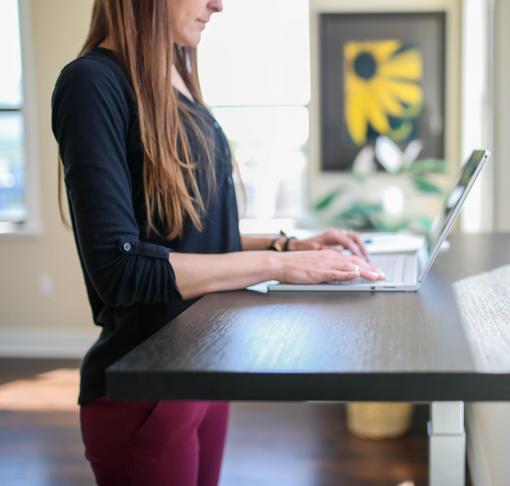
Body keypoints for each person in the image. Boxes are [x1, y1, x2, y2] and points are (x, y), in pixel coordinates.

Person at [51, 0, 384, 484]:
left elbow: (188, 236)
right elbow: (120, 269)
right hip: (145, 387)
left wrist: (288, 247)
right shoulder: (92, 84)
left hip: (202, 367)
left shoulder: (173, 74)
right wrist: (276, 268)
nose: (218, 4)